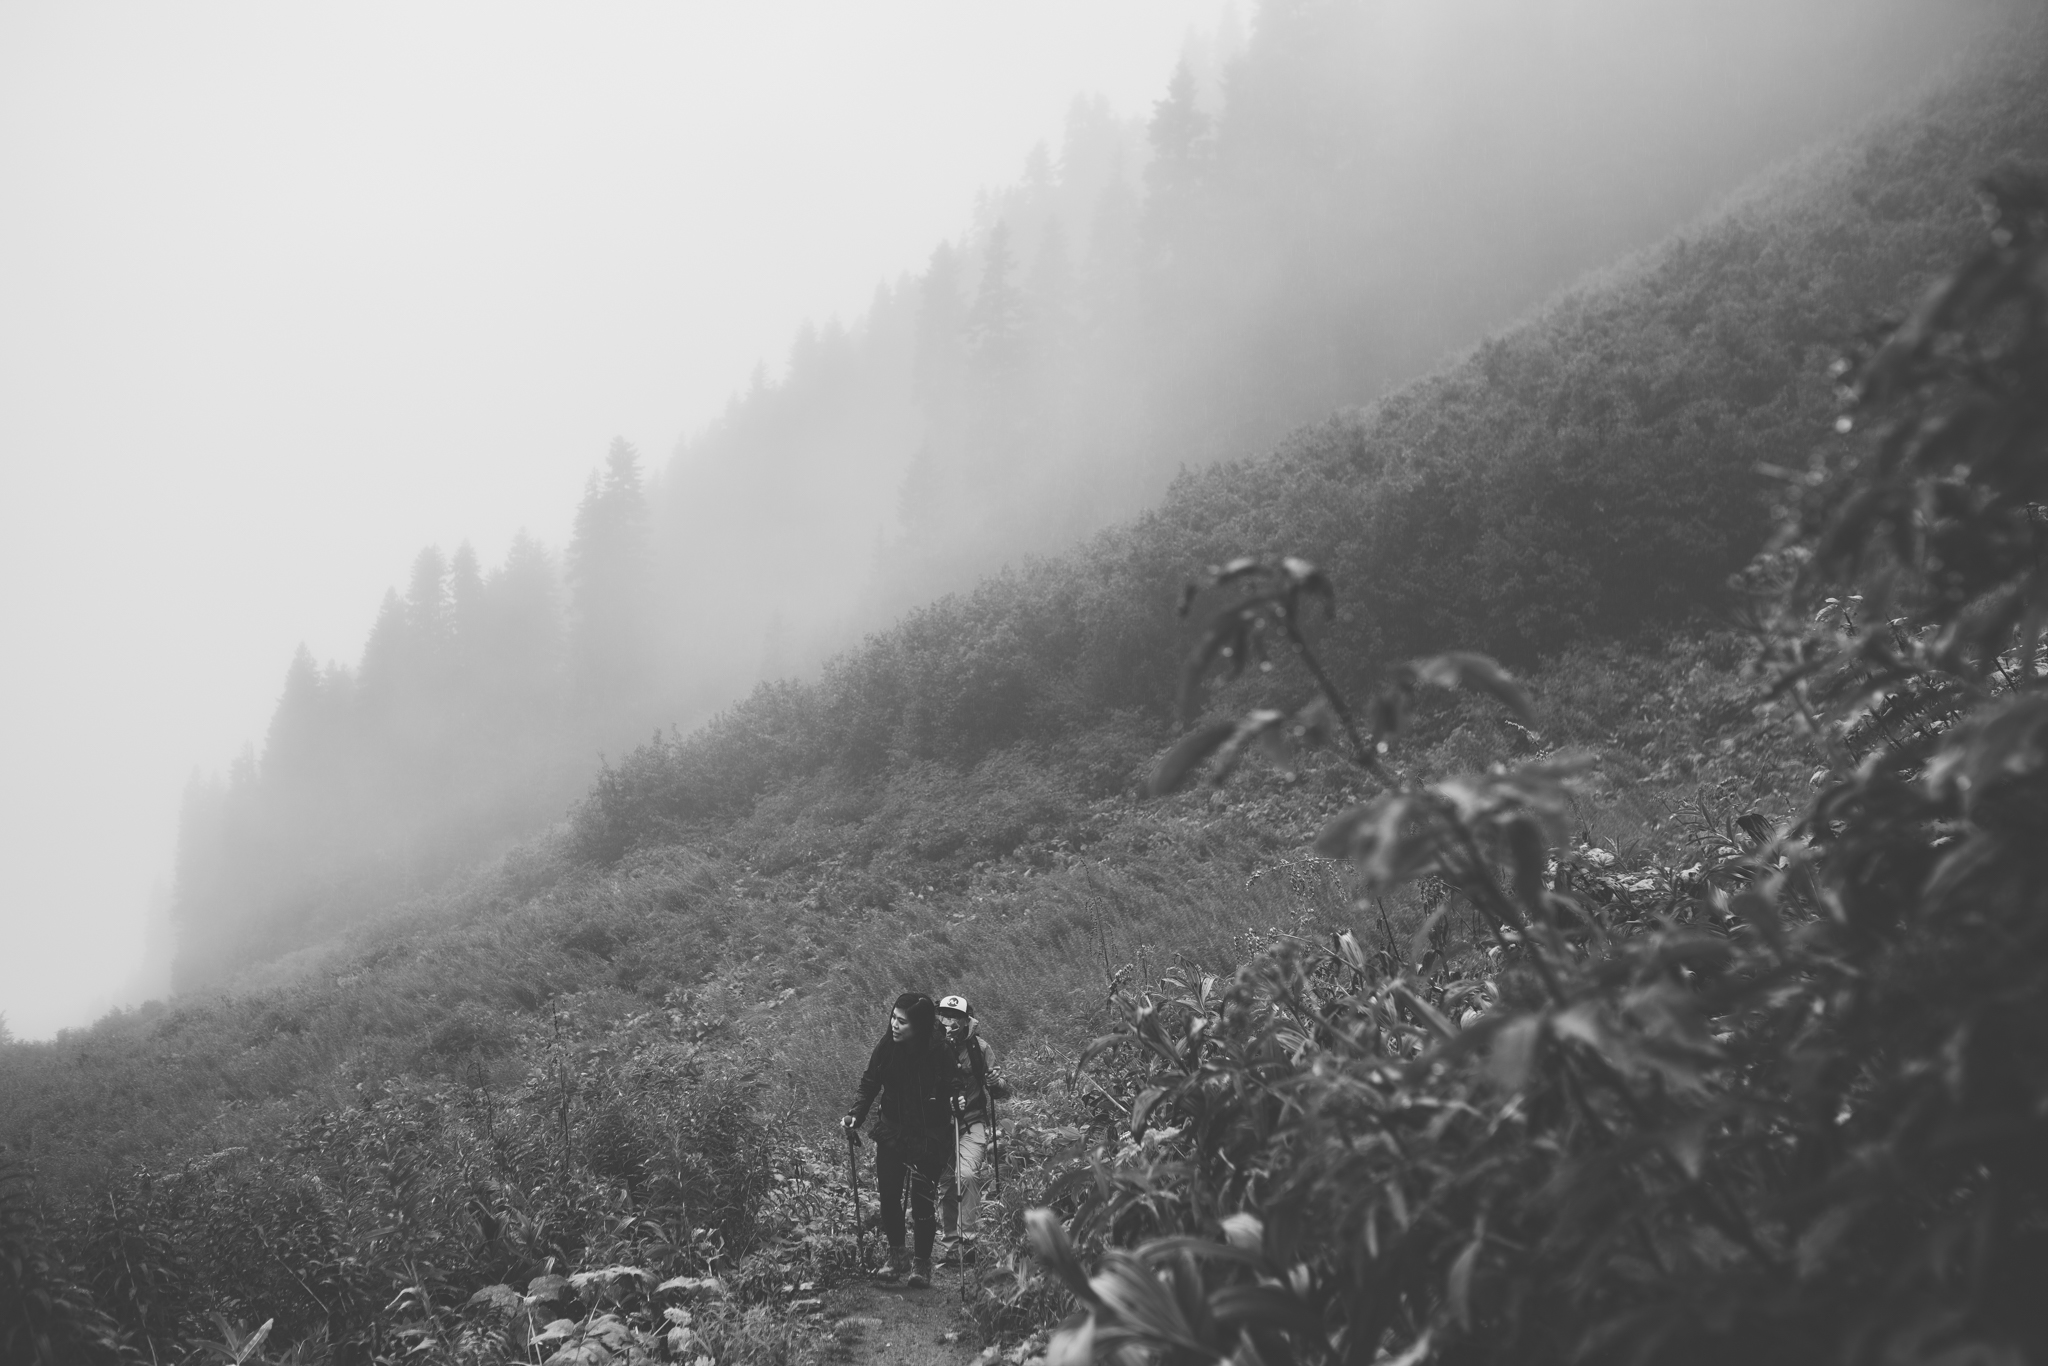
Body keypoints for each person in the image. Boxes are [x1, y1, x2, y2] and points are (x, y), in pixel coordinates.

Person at [842, 992, 954, 1287]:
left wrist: (957, 1101)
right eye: (893, 1017)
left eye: (902, 1022)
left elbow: (955, 1085)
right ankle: (896, 1255)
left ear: (918, 1025)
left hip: (928, 1135)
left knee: (922, 1203)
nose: (894, 1025)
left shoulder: (940, 1050)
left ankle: (921, 1263)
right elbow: (870, 1082)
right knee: (889, 1196)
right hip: (892, 1129)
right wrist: (856, 1115)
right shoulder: (887, 1047)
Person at [934, 994, 1009, 1267]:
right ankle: (951, 1247)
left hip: (972, 1122)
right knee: (946, 1184)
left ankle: (969, 1241)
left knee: (965, 1176)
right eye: (944, 1016)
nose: (950, 1022)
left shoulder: (980, 1049)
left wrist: (995, 1082)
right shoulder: (932, 1048)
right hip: (941, 1125)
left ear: (967, 1021)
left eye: (956, 1018)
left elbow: (1002, 1090)